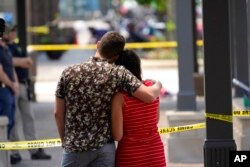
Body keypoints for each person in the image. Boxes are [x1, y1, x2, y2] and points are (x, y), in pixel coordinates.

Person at [54, 31, 162, 167]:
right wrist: (158, 84)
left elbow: (58, 113)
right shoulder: (118, 73)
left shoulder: (68, 72)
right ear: (116, 56)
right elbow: (149, 96)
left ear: (98, 45)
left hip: (74, 148)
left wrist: (66, 142)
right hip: (104, 149)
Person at [112, 49, 166, 167]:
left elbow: (117, 135)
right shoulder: (151, 88)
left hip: (130, 156)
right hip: (155, 153)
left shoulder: (120, 97)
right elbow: (155, 120)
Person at [6, 25, 51, 165]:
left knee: (29, 117)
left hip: (24, 84)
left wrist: (18, 62)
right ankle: (14, 151)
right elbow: (10, 62)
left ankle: (34, 150)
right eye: (10, 31)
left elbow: (28, 61)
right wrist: (20, 62)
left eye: (13, 31)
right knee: (13, 120)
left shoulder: (17, 46)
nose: (12, 33)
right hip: (12, 85)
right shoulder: (4, 48)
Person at [0, 24, 19, 141]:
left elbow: (11, 68)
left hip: (9, 90)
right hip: (3, 89)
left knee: (10, 122)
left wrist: (15, 83)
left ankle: (6, 156)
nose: (9, 34)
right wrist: (12, 85)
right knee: (4, 123)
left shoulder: (6, 49)